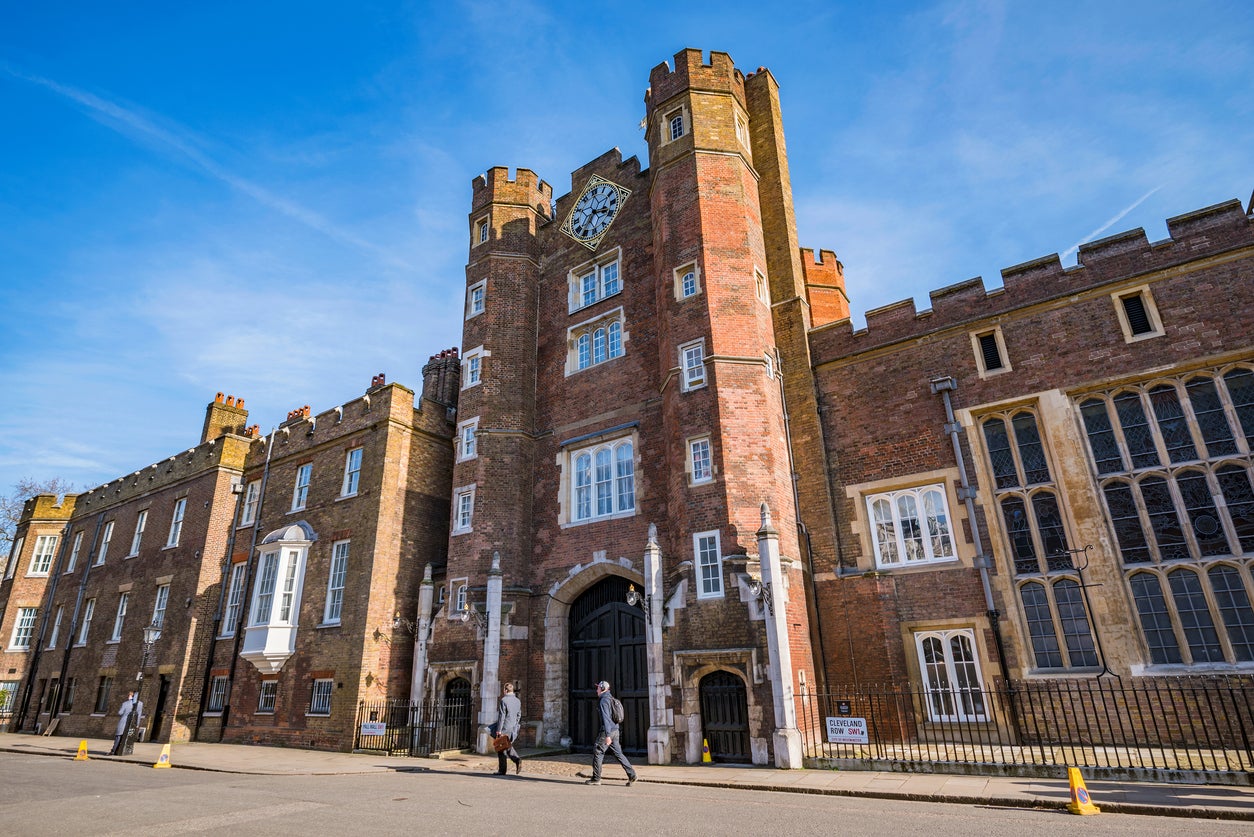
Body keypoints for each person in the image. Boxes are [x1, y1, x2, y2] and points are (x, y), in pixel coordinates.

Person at [586, 680, 636, 786]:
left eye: (598, 688)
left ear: (603, 689)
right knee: (618, 753)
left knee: (598, 751)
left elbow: (606, 718)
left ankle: (596, 778)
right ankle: (632, 775)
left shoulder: (604, 700)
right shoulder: (611, 698)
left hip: (607, 731)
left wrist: (607, 735)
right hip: (615, 730)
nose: (597, 690)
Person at [495, 682, 523, 775]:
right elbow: (519, 715)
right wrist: (515, 725)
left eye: (504, 690)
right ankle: (517, 760)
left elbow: (501, 716)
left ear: (505, 690)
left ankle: (502, 770)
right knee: (507, 746)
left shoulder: (504, 700)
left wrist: (499, 730)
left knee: (501, 748)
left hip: (505, 727)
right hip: (513, 727)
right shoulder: (517, 701)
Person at [110, 690, 143, 755]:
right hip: (132, 723)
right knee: (128, 737)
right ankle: (125, 751)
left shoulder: (125, 703)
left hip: (123, 722)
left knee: (118, 737)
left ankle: (114, 750)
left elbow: (120, 712)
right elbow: (139, 715)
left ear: (131, 696)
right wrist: (137, 724)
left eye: (129, 695)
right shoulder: (140, 704)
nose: (128, 696)